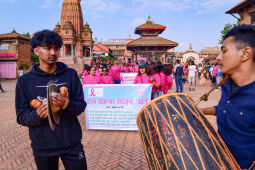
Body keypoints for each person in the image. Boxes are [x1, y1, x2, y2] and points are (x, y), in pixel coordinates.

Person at [15, 30, 87, 170]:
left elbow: (81, 105)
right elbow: (21, 116)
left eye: (56, 49)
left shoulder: (70, 75)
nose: (53, 53)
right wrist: (37, 115)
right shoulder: (25, 81)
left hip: (71, 143)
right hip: (43, 146)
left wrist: (67, 104)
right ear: (36, 50)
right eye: (47, 48)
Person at [200, 25, 255, 169]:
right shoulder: (226, 84)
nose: (218, 58)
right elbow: (227, 109)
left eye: (224, 51)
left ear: (245, 54)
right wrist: (201, 111)